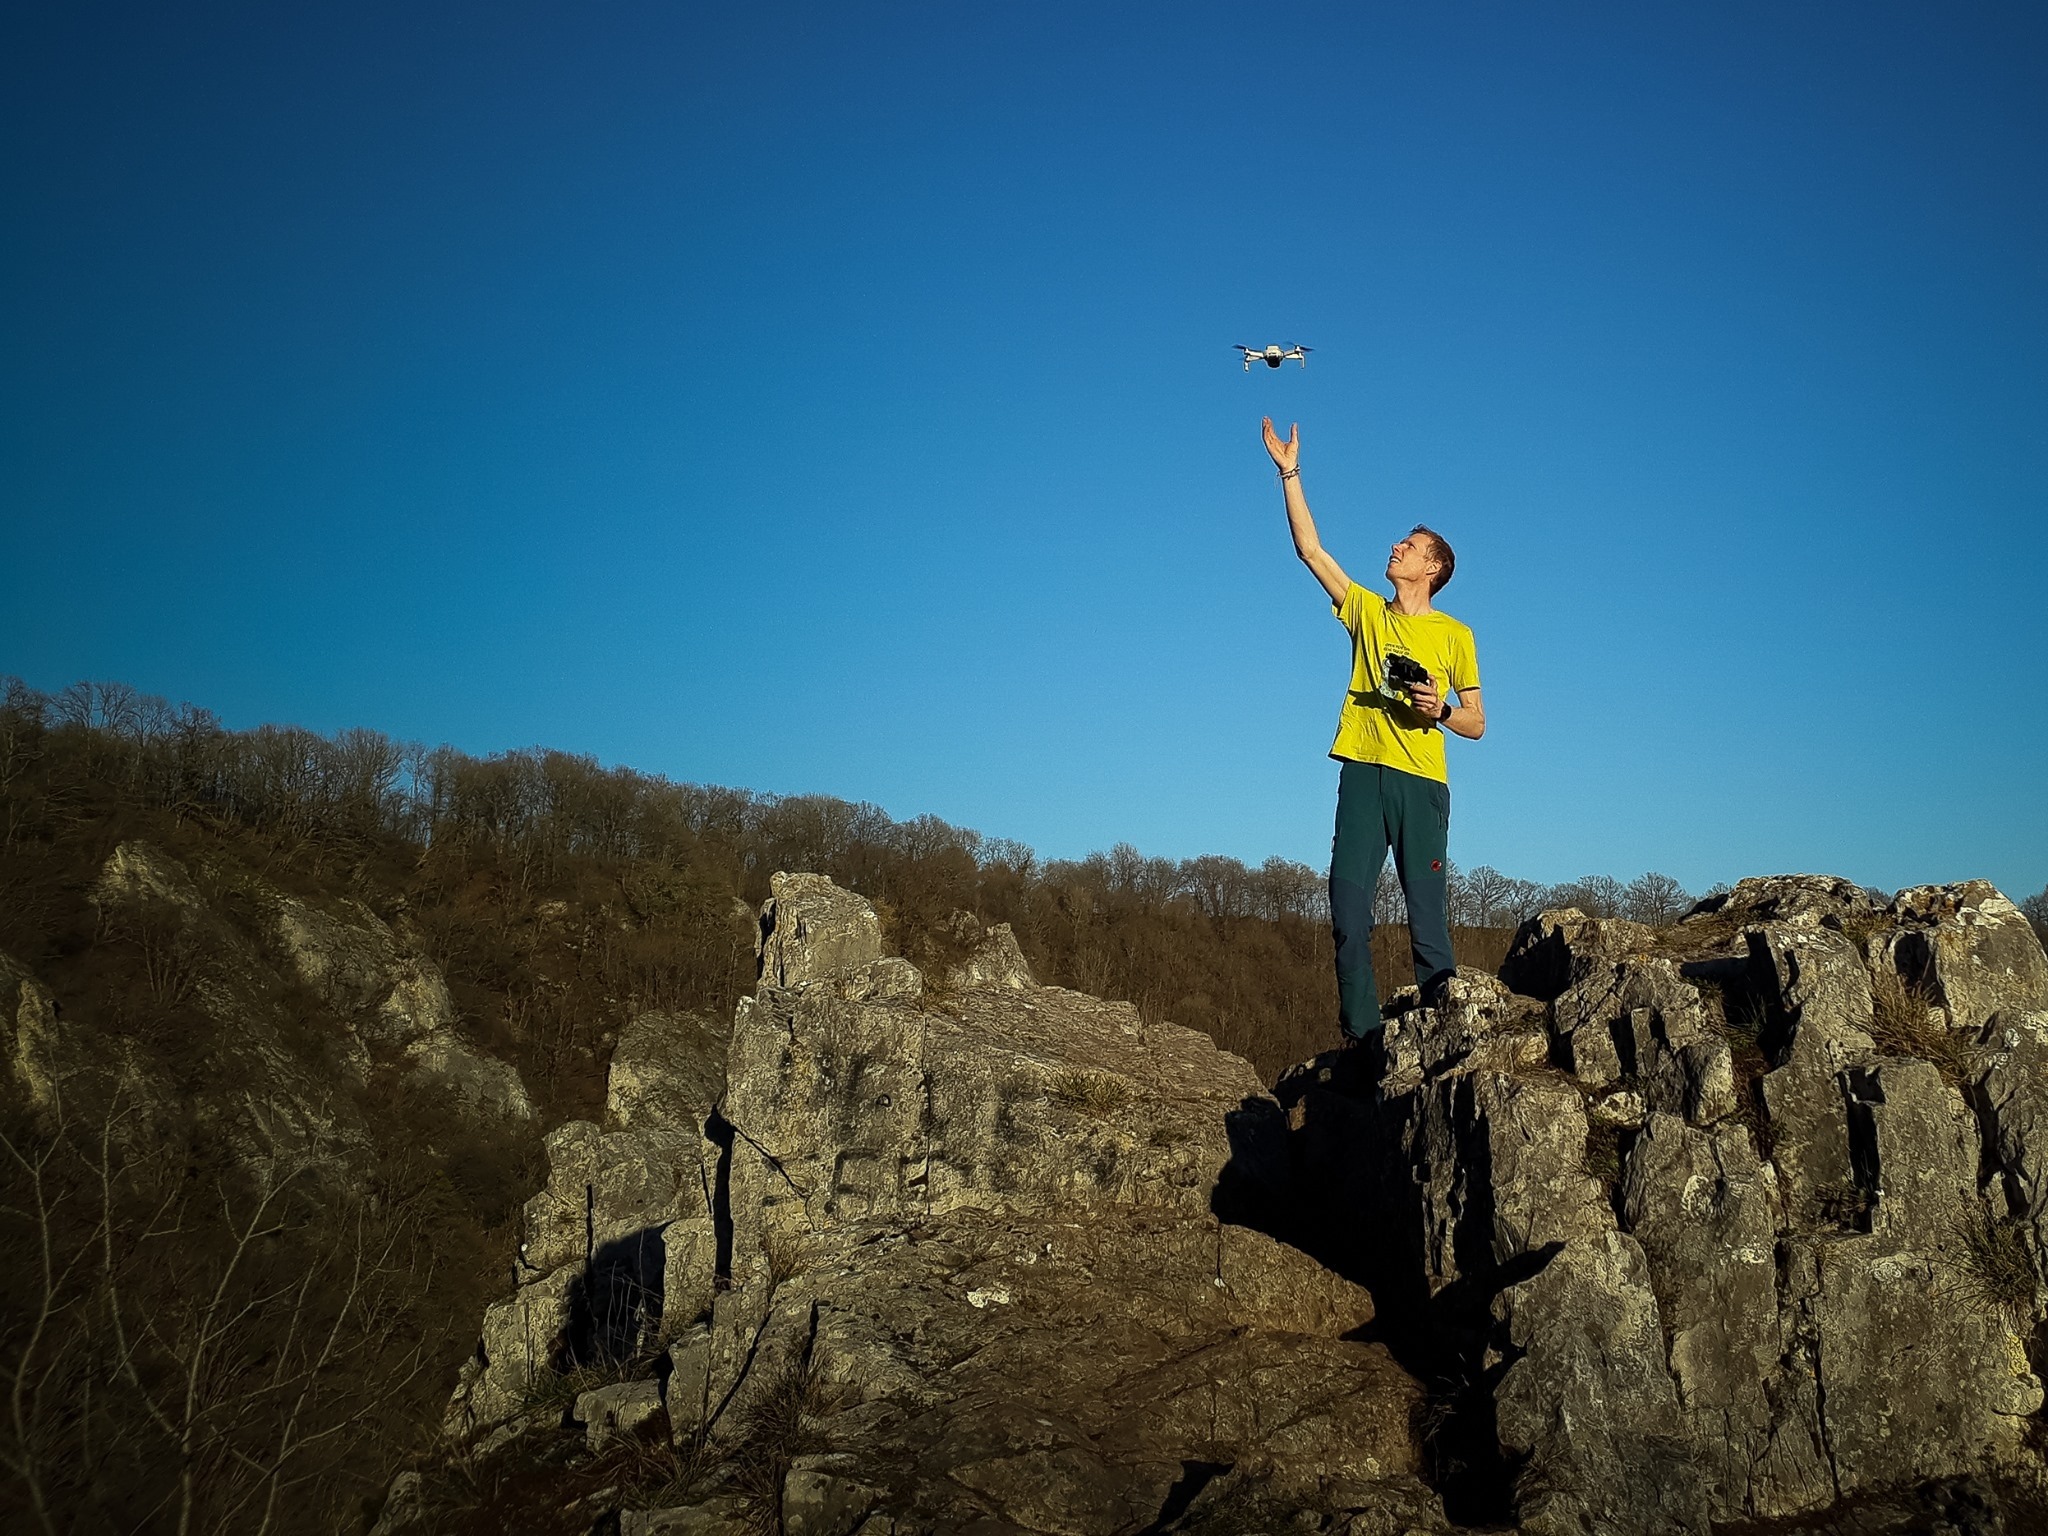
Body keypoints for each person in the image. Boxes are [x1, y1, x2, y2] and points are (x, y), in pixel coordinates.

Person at [1262, 417, 1485, 1039]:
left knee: (1428, 924)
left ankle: (1444, 1040)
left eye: (1409, 547)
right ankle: (1361, 1045)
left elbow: (1477, 723)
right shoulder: (1364, 610)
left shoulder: (1456, 635)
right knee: (1347, 914)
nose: (1396, 548)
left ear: (1432, 568)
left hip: (1422, 784)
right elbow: (1310, 549)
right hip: (1362, 773)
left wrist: (1437, 708)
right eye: (1400, 543)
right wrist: (1289, 473)